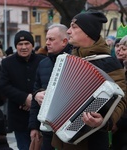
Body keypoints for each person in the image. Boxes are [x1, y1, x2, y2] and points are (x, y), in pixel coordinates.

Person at [51, 10, 127, 150]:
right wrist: (42, 93)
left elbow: (121, 99)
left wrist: (105, 120)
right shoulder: (68, 59)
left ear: (87, 32)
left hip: (91, 139)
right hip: (61, 139)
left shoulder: (109, 63)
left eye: (74, 27)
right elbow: (57, 88)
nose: (68, 31)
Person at [0, 30, 45, 150]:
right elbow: (4, 86)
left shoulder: (43, 61)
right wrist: (25, 99)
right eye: (20, 44)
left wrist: (33, 99)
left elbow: (48, 83)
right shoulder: (7, 63)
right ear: (16, 46)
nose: (23, 47)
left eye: (26, 43)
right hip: (19, 118)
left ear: (32, 45)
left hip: (41, 116)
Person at [28, 24, 72, 150]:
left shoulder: (75, 60)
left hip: (69, 131)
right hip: (47, 130)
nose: (47, 43)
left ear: (64, 41)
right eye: (47, 39)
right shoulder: (43, 64)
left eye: (51, 39)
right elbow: (35, 93)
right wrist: (34, 126)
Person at [112, 35, 127, 150]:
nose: (120, 51)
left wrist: (119, 123)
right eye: (118, 47)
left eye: (124, 49)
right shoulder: (120, 68)